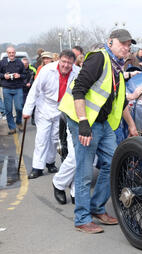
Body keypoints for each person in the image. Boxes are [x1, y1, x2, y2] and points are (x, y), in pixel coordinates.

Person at [58, 29, 139, 234]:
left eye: (129, 45)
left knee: (113, 164)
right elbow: (79, 90)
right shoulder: (99, 59)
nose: (127, 48)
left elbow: (119, 104)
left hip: (102, 124)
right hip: (84, 122)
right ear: (110, 42)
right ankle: (82, 218)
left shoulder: (118, 68)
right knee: (84, 172)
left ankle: (96, 207)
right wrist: (84, 123)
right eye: (123, 43)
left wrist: (131, 126)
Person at [23, 50, 80, 179]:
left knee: (55, 138)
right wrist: (27, 111)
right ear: (59, 60)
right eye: (64, 62)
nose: (66, 65)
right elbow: (34, 90)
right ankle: (37, 167)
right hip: (45, 106)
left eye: (69, 63)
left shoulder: (77, 72)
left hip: (62, 108)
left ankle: (50, 162)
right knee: (42, 138)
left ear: (73, 63)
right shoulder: (47, 70)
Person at [0, 46, 26, 134]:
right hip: (6, 88)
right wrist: (4, 76)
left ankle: (19, 122)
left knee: (19, 108)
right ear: (7, 53)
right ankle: (12, 127)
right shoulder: (2, 62)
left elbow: (24, 75)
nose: (11, 54)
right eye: (9, 53)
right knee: (8, 109)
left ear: (15, 53)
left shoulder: (19, 63)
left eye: (13, 53)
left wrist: (20, 76)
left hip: (18, 88)